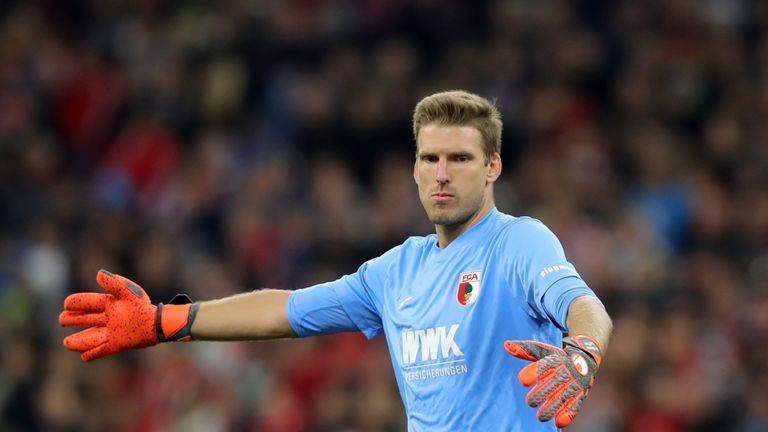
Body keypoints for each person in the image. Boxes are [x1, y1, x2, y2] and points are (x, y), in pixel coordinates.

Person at [60, 90, 613, 431]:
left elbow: (586, 308)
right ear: (415, 168)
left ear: (493, 167)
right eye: (430, 158)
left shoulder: (518, 243)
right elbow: (288, 311)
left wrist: (581, 355)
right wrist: (166, 321)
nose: (443, 173)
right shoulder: (394, 272)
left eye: (461, 159)